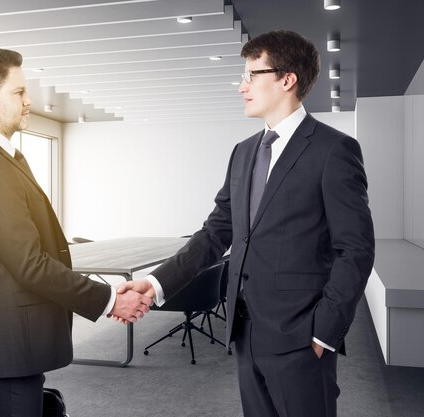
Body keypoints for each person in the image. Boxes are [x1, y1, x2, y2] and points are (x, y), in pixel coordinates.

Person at [119, 30, 375, 417]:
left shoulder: (333, 150)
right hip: (244, 330)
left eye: (252, 75)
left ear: (287, 80)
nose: (242, 86)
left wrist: (325, 330)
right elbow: (215, 231)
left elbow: (355, 249)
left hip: (301, 335)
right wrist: (156, 283)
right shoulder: (244, 152)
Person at [0, 48, 152, 417]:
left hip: (11, 349)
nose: (30, 102)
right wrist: (109, 300)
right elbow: (30, 265)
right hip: (3, 352)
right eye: (19, 93)